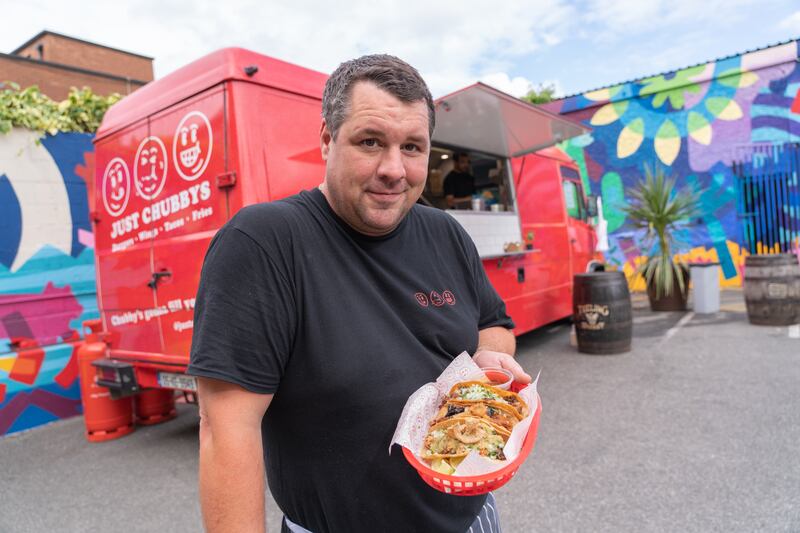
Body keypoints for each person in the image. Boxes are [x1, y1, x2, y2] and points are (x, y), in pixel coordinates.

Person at [188, 54, 531, 533]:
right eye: (370, 142)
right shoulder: (265, 242)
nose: (394, 169)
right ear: (327, 139)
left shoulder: (445, 233)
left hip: (473, 517)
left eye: (412, 147)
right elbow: (226, 431)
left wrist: (487, 361)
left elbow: (493, 325)